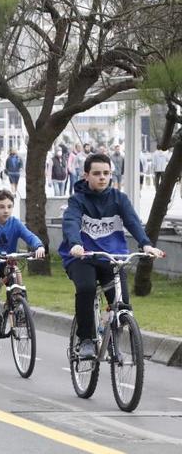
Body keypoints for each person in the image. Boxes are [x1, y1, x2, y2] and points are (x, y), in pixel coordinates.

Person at [58, 153, 165, 360]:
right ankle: (86, 340)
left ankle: (113, 339)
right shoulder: (77, 200)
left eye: (106, 173)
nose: (102, 177)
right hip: (82, 257)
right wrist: (76, 244)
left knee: (122, 304)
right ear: (86, 175)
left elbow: (133, 222)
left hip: (112, 257)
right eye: (97, 173)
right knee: (87, 288)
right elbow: (71, 222)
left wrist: (146, 245)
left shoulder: (119, 199)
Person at [0, 190, 45, 350]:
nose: (6, 210)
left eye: (9, 206)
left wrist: (38, 246)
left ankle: (18, 306)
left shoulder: (15, 223)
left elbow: (29, 236)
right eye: (1, 207)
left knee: (16, 272)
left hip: (4, 264)